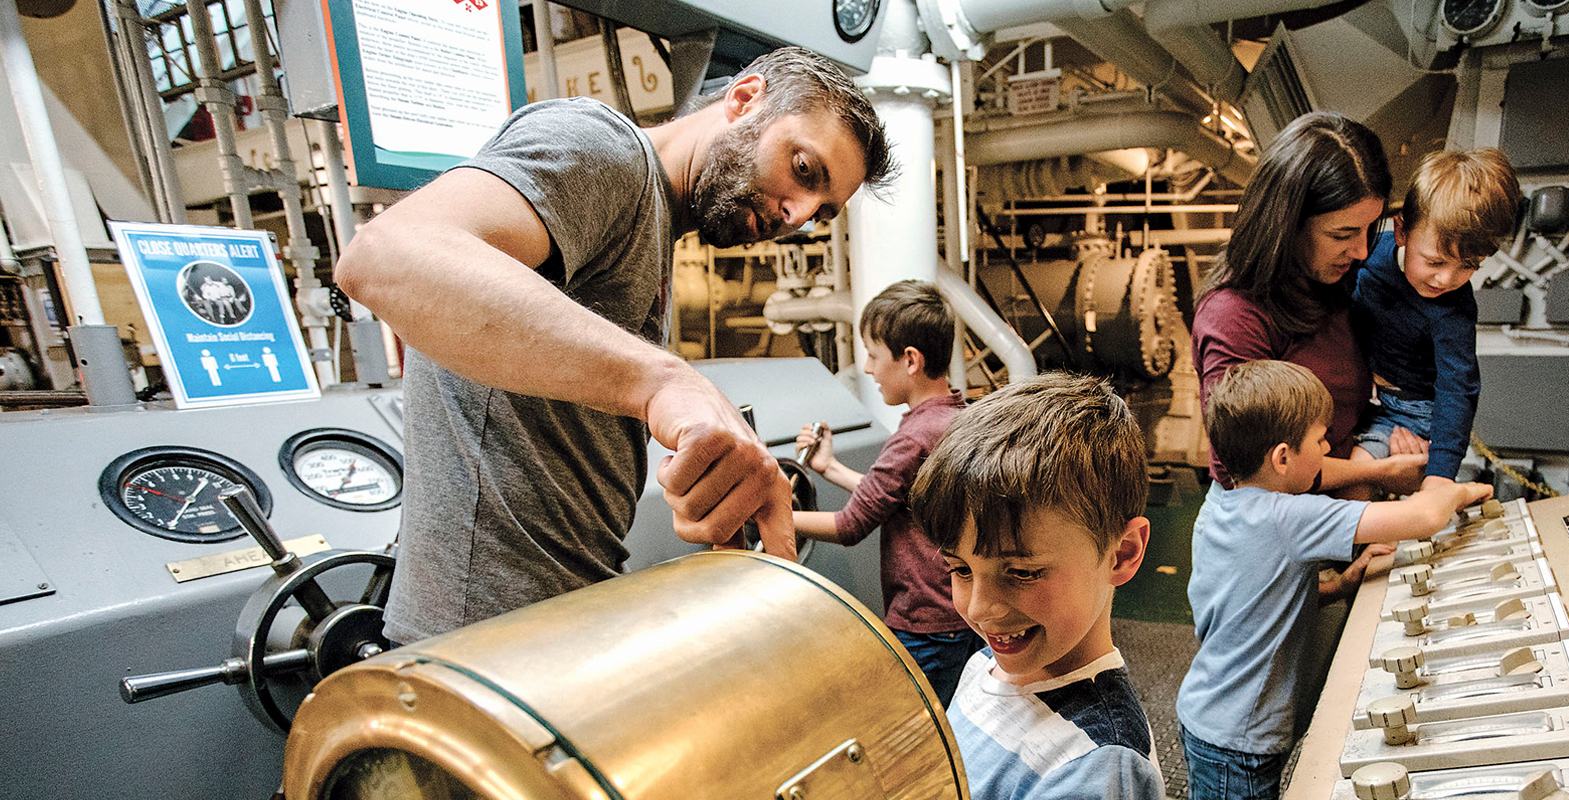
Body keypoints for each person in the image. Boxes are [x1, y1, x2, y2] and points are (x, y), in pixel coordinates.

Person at [335, 47, 897, 645]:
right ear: (743, 100)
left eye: (823, 211)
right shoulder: (605, 151)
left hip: (562, 614)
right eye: (804, 170)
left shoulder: (654, 221)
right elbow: (385, 255)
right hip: (483, 637)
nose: (799, 213)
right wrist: (666, 381)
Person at [1176, 361, 1493, 800]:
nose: (1328, 448)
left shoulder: (1223, 503)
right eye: (1320, 440)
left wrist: (1340, 587)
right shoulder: (1288, 517)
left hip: (1207, 716)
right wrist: (1458, 490)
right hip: (1241, 740)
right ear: (1283, 458)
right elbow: (1422, 517)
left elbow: (1250, 602)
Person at [913, 373, 1163, 800]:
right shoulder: (985, 664)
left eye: (1023, 573)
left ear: (1121, 554)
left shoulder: (1097, 763)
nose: (978, 608)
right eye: (960, 569)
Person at [1192, 111, 1426, 501]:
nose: (1362, 249)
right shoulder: (1233, 316)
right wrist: (1382, 471)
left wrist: (1389, 439)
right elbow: (1245, 471)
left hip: (1339, 520)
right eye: (1343, 234)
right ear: (1287, 224)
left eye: (1370, 229)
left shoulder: (1335, 283)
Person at [792, 279, 978, 705]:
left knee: (907, 734)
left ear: (910, 360)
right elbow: (907, 501)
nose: (869, 369)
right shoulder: (955, 418)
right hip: (959, 618)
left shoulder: (913, 436)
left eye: (874, 355)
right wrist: (831, 468)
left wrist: (763, 514)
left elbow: (852, 524)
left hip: (924, 624)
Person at [1352, 148, 1523, 489]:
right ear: (1401, 231)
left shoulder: (1453, 309)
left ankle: (1369, 543)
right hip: (1361, 391)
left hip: (1411, 411)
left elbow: (1456, 389)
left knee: (1355, 477)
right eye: (1434, 261)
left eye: (1469, 266)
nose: (1446, 280)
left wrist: (1438, 479)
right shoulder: (1366, 255)